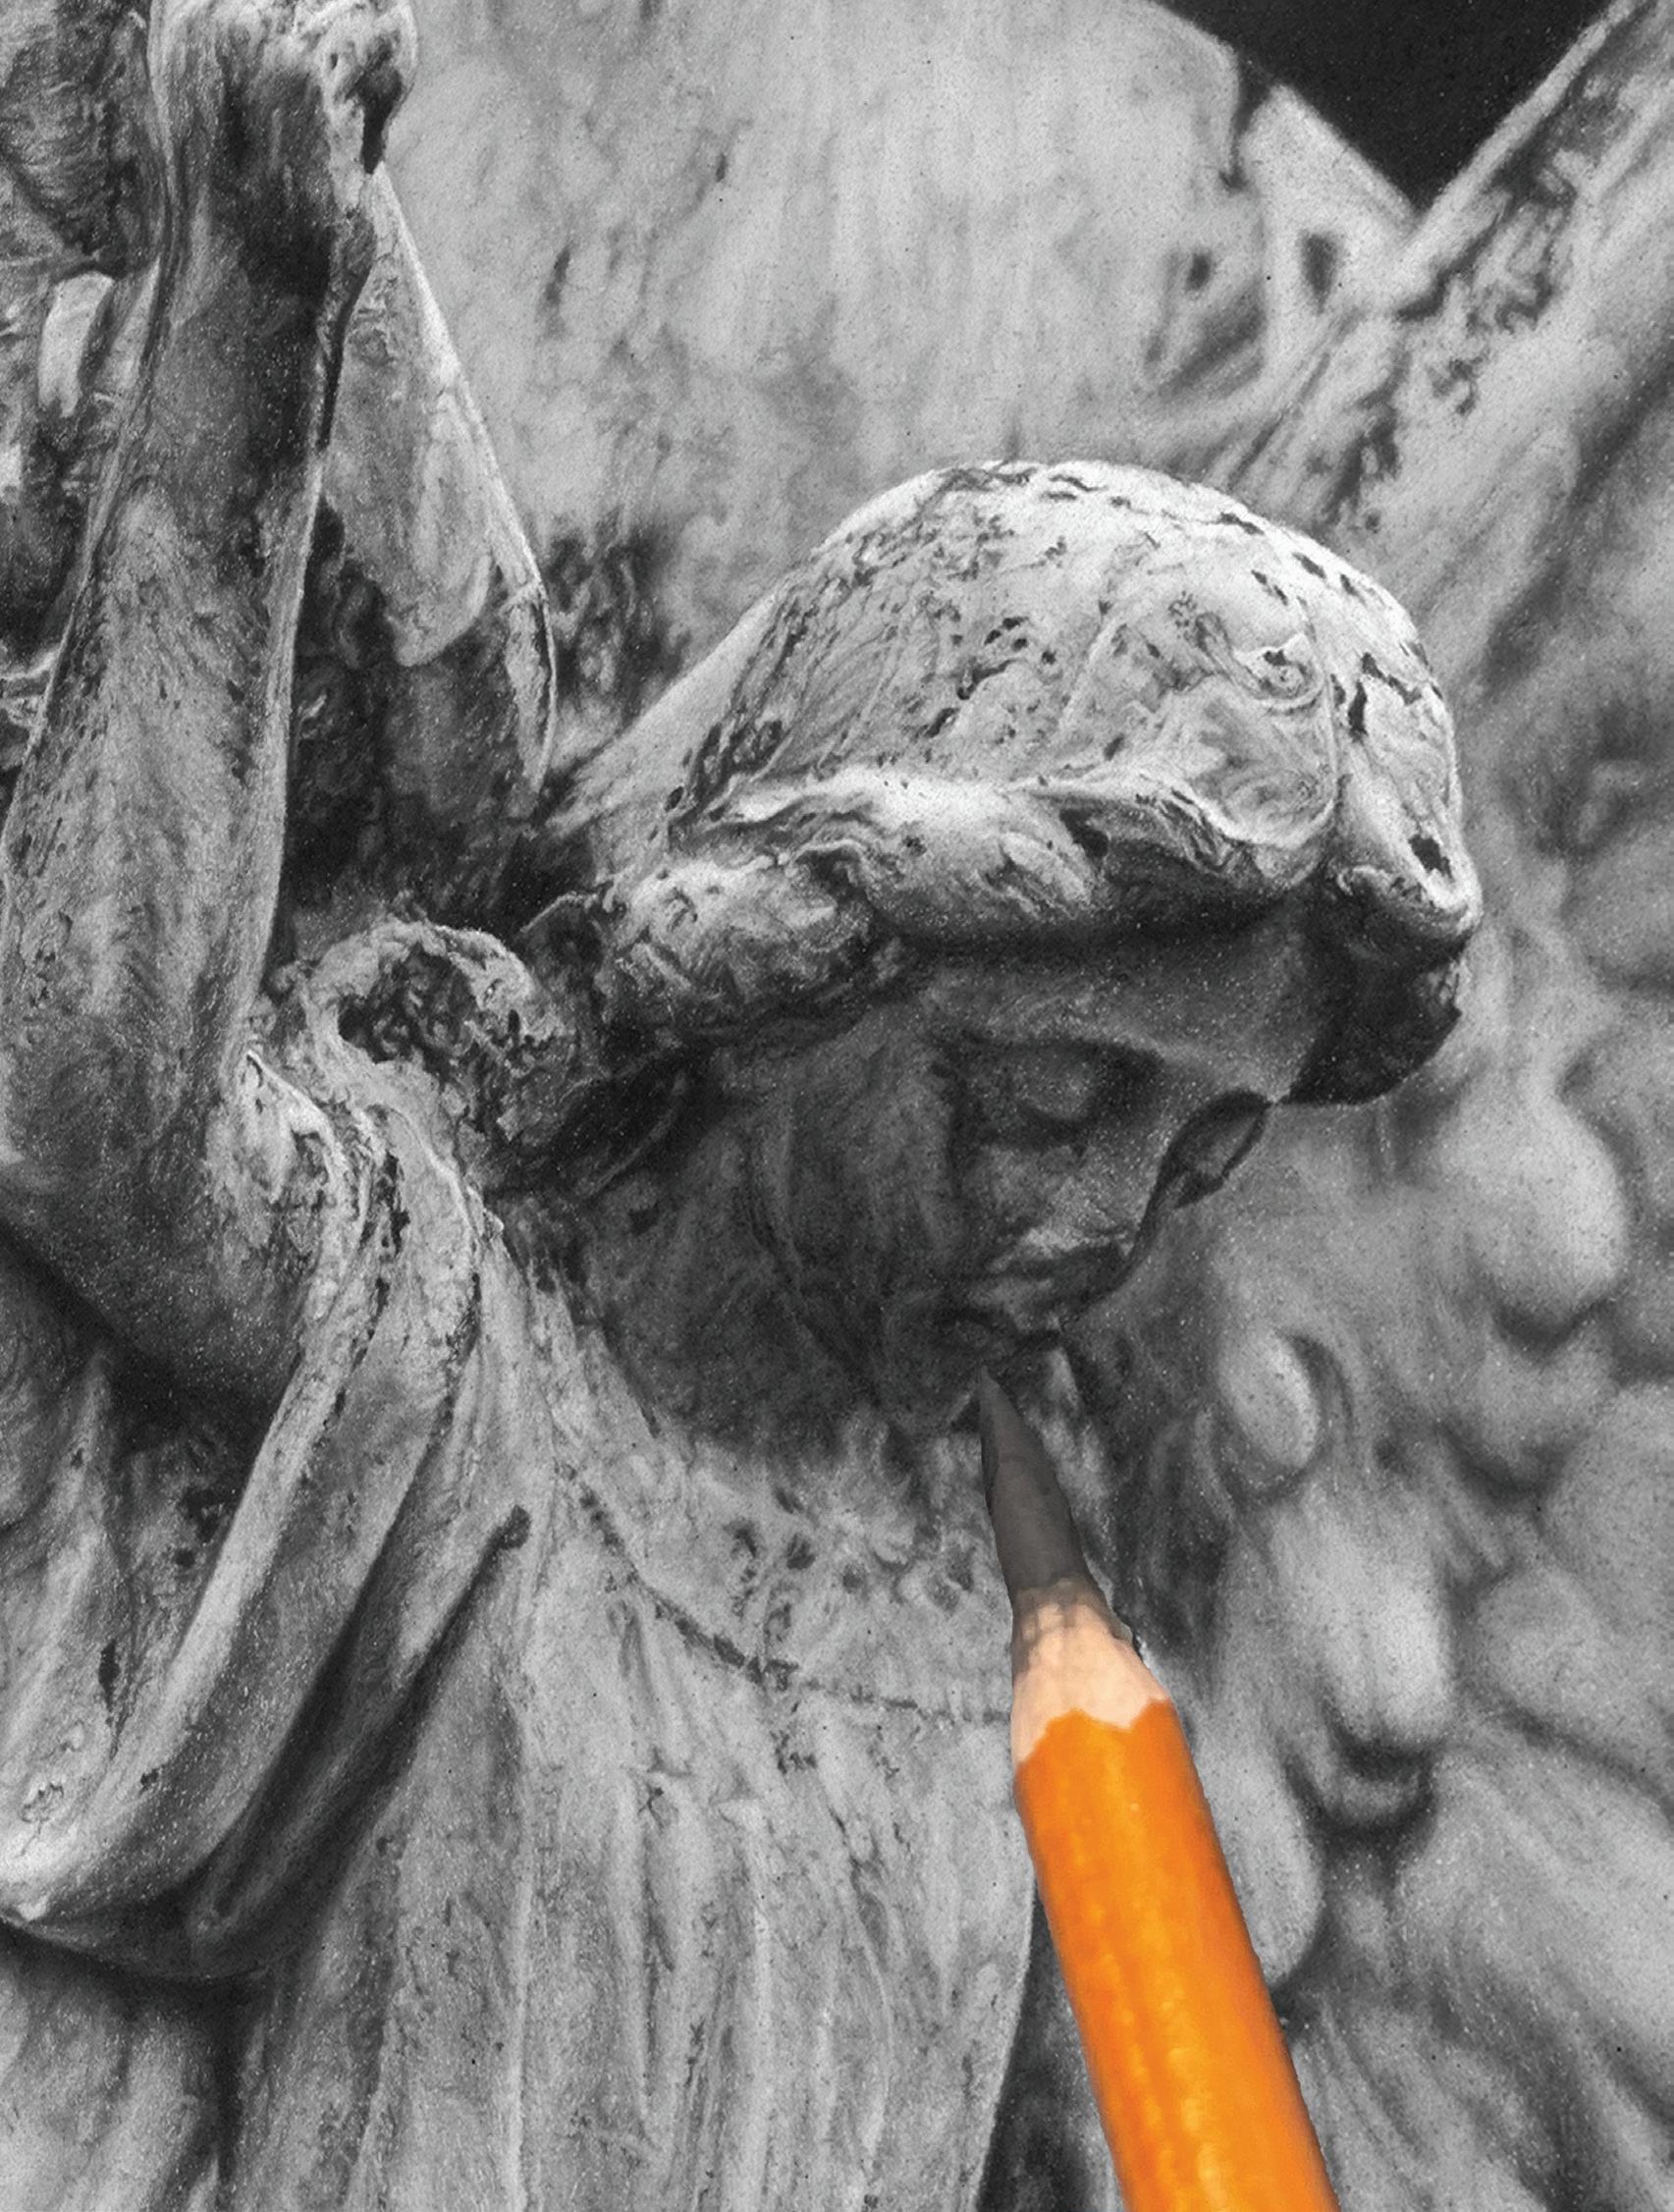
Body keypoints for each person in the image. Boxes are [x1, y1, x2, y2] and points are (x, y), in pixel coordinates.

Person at [0, 0, 1477, 2203]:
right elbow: (103, 1131)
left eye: (1199, 1153)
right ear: (798, 966)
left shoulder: (1010, 1627)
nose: (1103, 1222)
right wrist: (248, 311)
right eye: (1047, 1095)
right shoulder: (459, 1366)